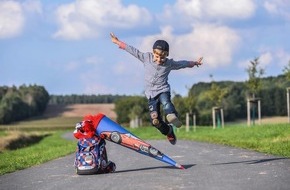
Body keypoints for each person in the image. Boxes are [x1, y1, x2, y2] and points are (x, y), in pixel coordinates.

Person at [110, 32, 203, 145]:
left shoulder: (169, 63)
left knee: (166, 104)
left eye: (162, 57)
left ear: (167, 55)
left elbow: (182, 64)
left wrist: (194, 63)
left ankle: (172, 116)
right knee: (155, 121)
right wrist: (117, 42)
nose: (159, 59)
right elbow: (133, 50)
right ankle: (169, 131)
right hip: (150, 95)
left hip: (163, 90)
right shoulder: (146, 57)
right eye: (157, 56)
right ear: (153, 53)